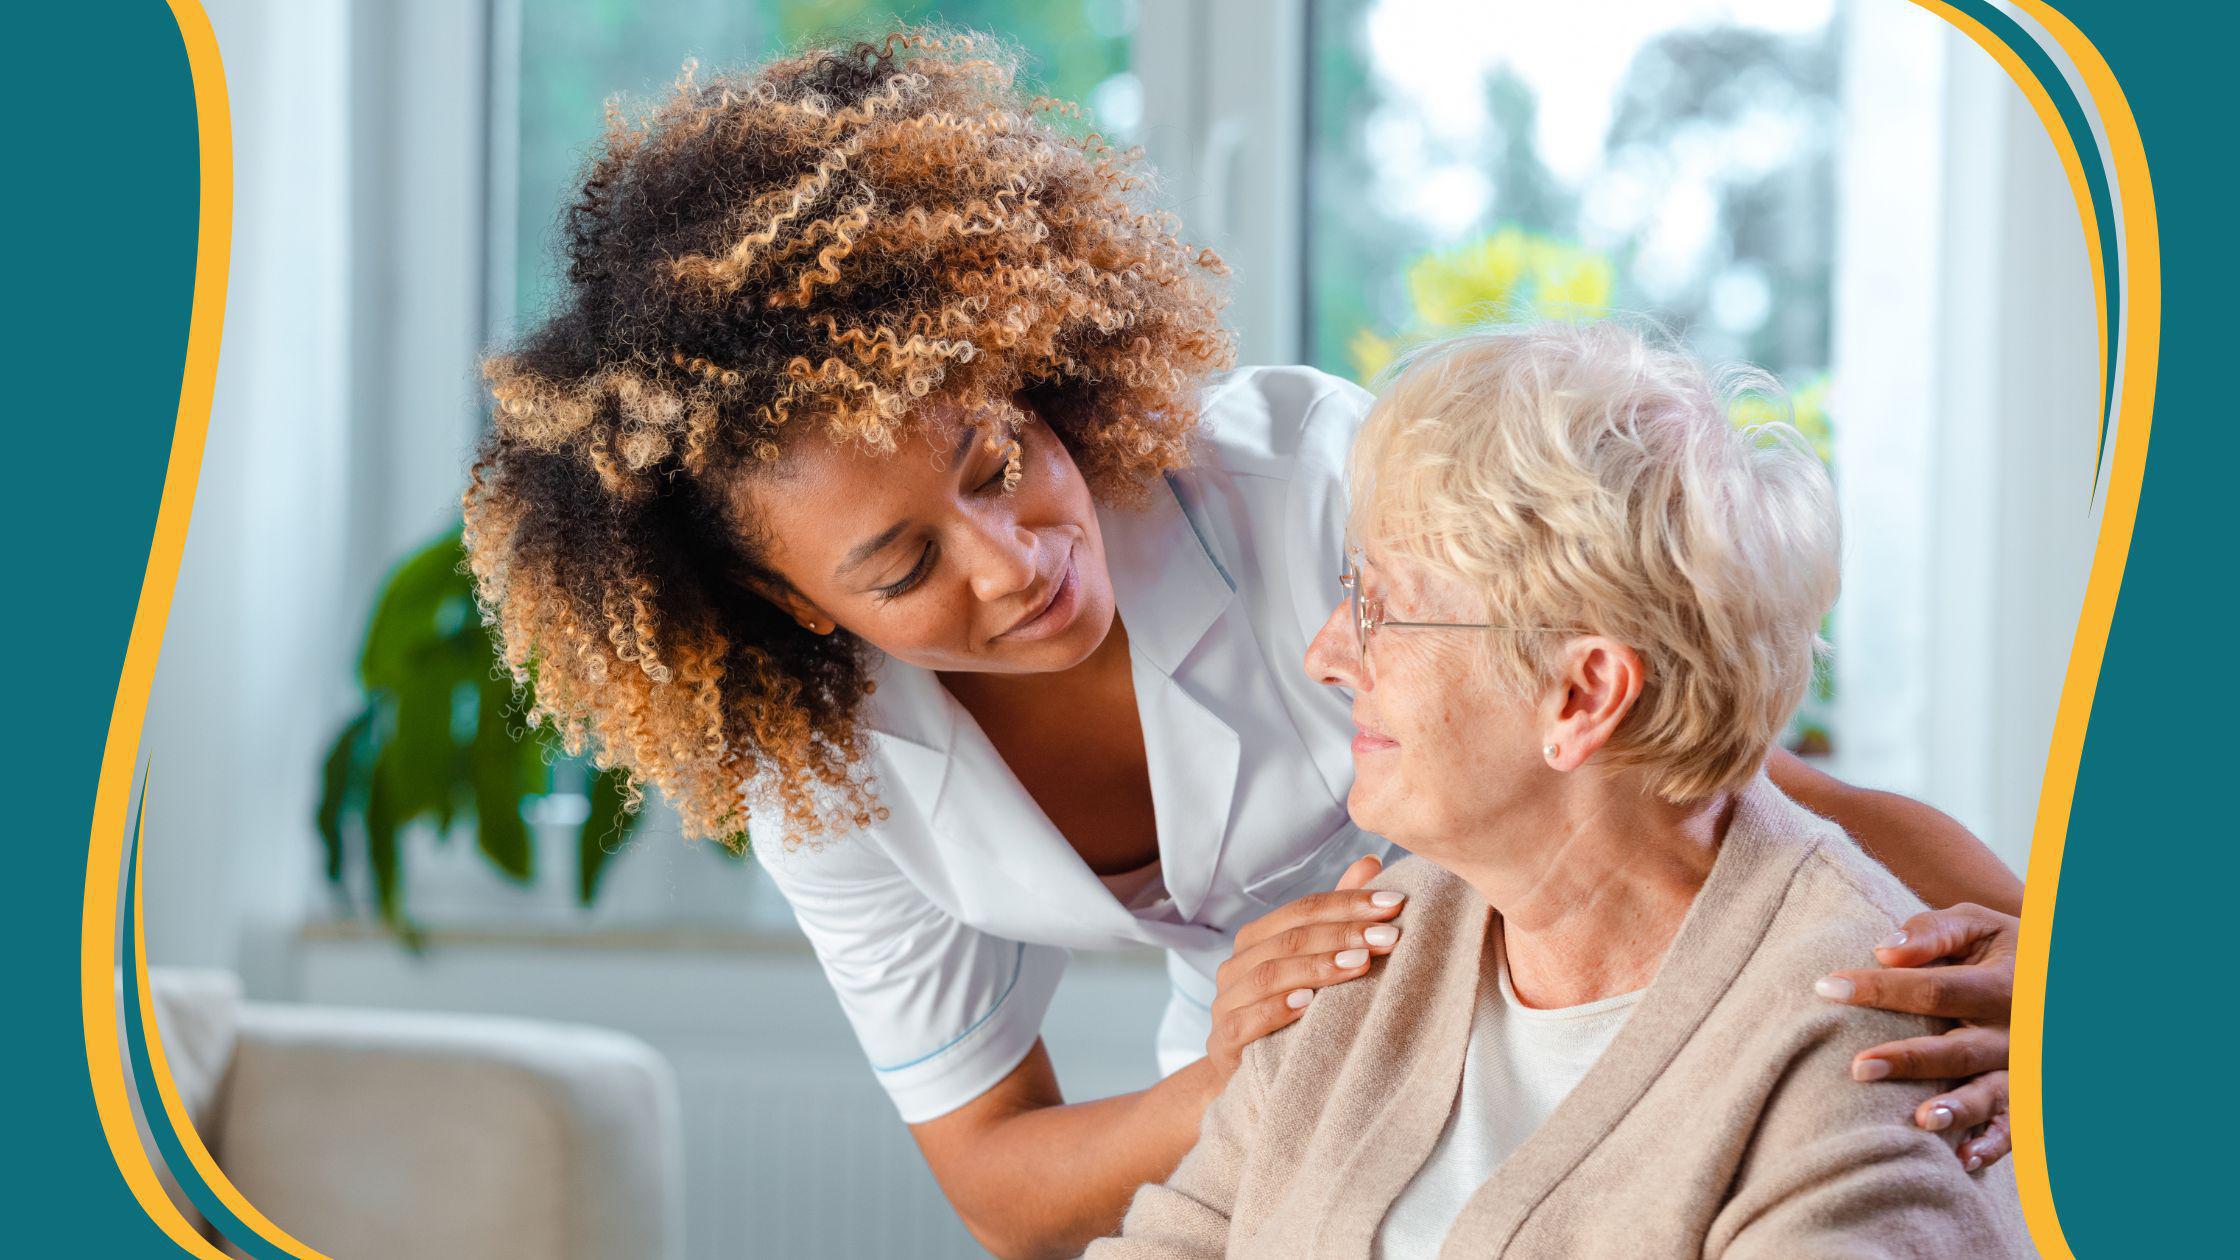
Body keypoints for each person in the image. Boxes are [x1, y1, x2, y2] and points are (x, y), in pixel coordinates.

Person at [461, 30, 2024, 1258]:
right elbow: (1005, 1188)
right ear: (804, 609)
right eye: (902, 564)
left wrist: (2052, 968)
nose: (1014, 564)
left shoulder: (1307, 489)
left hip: (1580, 965)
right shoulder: (824, 763)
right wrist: (1242, 1075)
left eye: (999, 461)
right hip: (1310, 1055)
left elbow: (1708, 766)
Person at [1089, 322, 2031, 1259]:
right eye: (1347, 586)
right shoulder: (1369, 948)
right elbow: (1179, 1240)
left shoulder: (1864, 1056)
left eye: (1382, 606)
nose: (1326, 653)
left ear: (1582, 695)